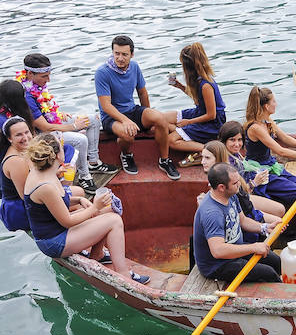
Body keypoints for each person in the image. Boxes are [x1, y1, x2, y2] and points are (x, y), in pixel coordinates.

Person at [22, 134, 148, 283]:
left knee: (108, 210)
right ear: (56, 155)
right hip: (53, 241)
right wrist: (94, 207)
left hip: (58, 230)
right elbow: (67, 221)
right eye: (62, 147)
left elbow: (54, 203)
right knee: (114, 221)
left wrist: (80, 200)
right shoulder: (45, 186)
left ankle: (98, 256)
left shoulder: (45, 172)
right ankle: (124, 275)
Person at [17, 53, 111, 193]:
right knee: (81, 139)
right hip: (44, 135)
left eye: (49, 75)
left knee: (93, 119)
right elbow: (45, 127)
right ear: (30, 74)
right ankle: (84, 176)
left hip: (53, 122)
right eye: (44, 76)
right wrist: (73, 127)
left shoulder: (37, 85)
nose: (48, 80)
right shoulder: (27, 96)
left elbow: (47, 110)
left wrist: (59, 114)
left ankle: (93, 162)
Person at [95, 35, 179, 180]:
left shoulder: (134, 67)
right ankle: (126, 154)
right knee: (128, 134)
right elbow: (106, 106)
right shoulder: (102, 73)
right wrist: (125, 121)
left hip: (132, 110)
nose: (120, 58)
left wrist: (149, 118)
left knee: (160, 118)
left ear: (132, 55)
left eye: (124, 54)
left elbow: (142, 92)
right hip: (111, 117)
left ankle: (164, 160)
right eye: (117, 53)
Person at [243, 86, 296, 233]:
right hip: (260, 172)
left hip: (271, 166)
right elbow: (280, 150)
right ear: (266, 106)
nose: (276, 104)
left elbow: (284, 138)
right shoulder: (256, 127)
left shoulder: (267, 120)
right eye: (274, 101)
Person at [192, 162, 280, 282]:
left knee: (276, 261)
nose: (239, 185)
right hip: (218, 265)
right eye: (235, 183)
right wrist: (253, 247)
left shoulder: (231, 194)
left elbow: (242, 221)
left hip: (235, 249)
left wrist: (264, 227)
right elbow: (218, 251)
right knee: (268, 274)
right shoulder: (212, 213)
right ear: (221, 187)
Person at [198, 141, 281, 243]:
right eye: (202, 157)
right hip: (245, 213)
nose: (202, 162)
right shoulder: (225, 176)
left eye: (207, 158)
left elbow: (242, 197)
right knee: (278, 221)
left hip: (247, 212)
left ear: (218, 158)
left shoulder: (226, 179)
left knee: (280, 213)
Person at [166, 42, 227, 155]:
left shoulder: (206, 85)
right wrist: (180, 86)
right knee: (162, 119)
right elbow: (199, 100)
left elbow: (211, 115)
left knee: (171, 140)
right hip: (200, 112)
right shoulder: (199, 80)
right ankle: (183, 132)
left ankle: (210, 150)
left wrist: (188, 122)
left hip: (212, 123)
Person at [218, 121, 285, 219]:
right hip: (239, 201)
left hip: (246, 194)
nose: (237, 144)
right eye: (232, 140)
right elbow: (236, 193)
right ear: (224, 141)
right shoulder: (227, 164)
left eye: (240, 140)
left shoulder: (236, 155)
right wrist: (254, 183)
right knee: (279, 210)